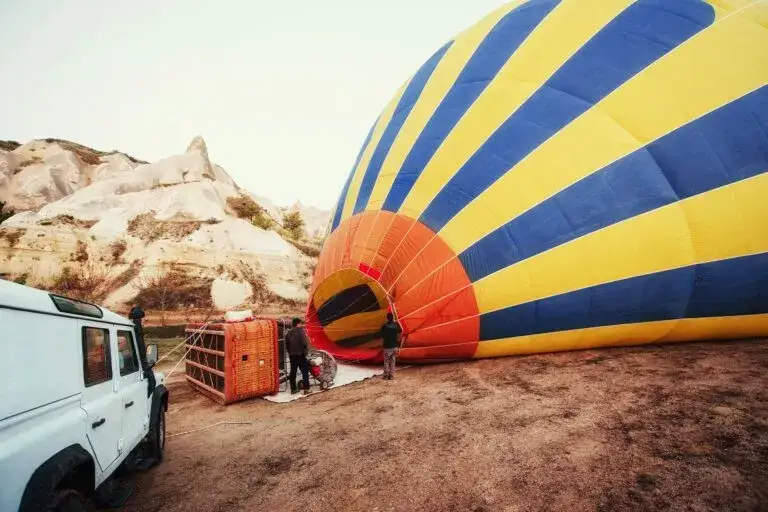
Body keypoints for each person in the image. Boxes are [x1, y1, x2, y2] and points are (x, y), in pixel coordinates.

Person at [285, 317, 311, 395]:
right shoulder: (301, 331)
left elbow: (287, 345)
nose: (302, 325)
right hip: (300, 354)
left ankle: (293, 389)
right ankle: (306, 389)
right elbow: (304, 343)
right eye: (300, 323)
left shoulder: (288, 333)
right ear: (298, 324)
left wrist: (290, 353)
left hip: (292, 355)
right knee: (305, 371)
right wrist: (306, 353)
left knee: (293, 372)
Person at [380, 312, 403, 380]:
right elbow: (400, 331)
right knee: (393, 361)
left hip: (387, 346)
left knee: (386, 361)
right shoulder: (396, 325)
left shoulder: (384, 326)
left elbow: (381, 335)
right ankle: (391, 375)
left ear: (387, 318)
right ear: (392, 318)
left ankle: (386, 375)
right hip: (394, 346)